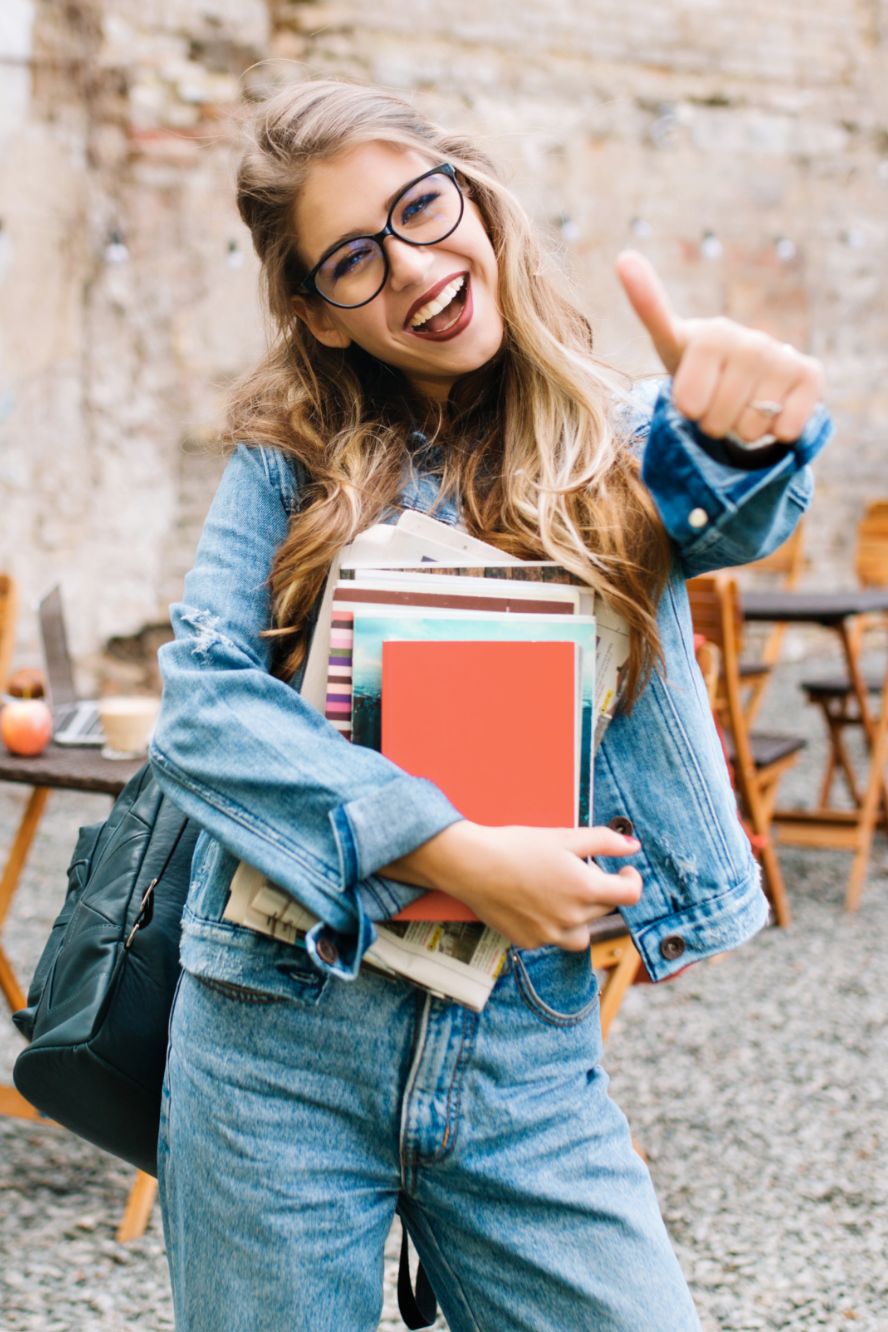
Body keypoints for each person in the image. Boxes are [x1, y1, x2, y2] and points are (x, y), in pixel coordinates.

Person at [149, 78, 829, 1331]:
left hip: (522, 1049)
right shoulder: (288, 456)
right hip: (274, 1043)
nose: (411, 266)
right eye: (353, 257)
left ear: (475, 196)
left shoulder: (622, 438)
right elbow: (200, 707)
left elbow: (722, 507)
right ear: (322, 313)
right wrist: (447, 848)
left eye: (421, 205)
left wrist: (743, 438)